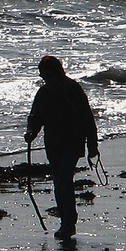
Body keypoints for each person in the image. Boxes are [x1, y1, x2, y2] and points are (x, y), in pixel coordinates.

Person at [24, 55, 99, 240]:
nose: (47, 80)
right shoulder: (43, 93)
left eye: (50, 75)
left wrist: (93, 146)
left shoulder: (72, 89)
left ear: (58, 72)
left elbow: (87, 118)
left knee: (64, 179)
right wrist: (31, 132)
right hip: (53, 143)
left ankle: (69, 223)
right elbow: (35, 117)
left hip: (73, 141)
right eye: (43, 76)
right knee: (59, 183)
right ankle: (66, 221)